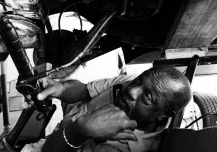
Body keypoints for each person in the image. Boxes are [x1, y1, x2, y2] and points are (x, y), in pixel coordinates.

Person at [23, 65, 192, 152]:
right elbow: (84, 90)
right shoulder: (130, 82)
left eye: (147, 97)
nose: (132, 91)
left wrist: (80, 129)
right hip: (64, 124)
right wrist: (60, 89)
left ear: (163, 115)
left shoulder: (123, 148)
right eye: (139, 81)